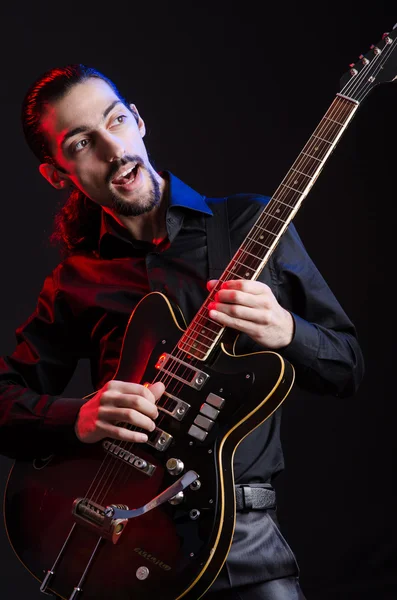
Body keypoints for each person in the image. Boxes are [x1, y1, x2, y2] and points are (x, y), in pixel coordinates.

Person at [0, 64, 364, 600]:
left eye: (116, 121)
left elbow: (348, 368)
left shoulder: (250, 225)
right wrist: (76, 417)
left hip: (244, 547)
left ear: (139, 122)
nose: (112, 149)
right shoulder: (75, 280)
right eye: (81, 143)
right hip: (111, 537)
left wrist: (287, 329)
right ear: (58, 174)